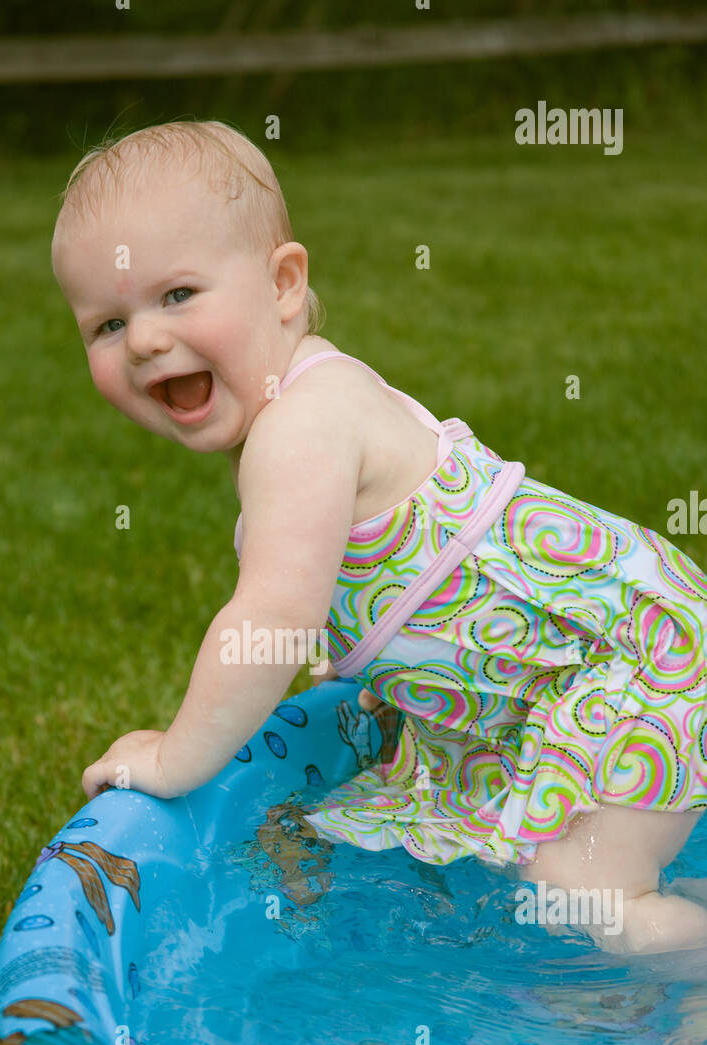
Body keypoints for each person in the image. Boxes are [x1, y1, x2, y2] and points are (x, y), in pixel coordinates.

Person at [51, 119, 707, 955]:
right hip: (578, 665)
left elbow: (272, 619)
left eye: (178, 295)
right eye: (106, 325)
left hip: (634, 660)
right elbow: (388, 573)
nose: (143, 338)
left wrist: (175, 758)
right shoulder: (310, 399)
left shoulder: (302, 425)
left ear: (284, 282)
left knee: (584, 899)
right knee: (551, 867)